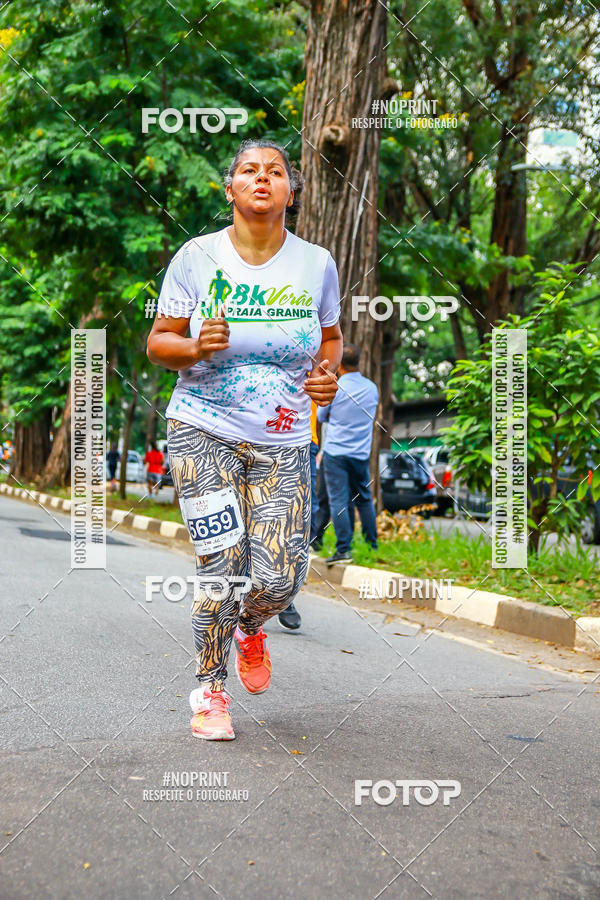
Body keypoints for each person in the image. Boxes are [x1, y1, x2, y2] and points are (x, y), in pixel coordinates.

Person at [147, 138, 343, 741]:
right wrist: (195, 346)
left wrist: (326, 376)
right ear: (229, 189)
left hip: (282, 440)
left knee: (280, 579)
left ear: (292, 191)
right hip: (201, 429)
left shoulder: (317, 265)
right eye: (248, 171)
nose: (262, 179)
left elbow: (330, 340)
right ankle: (210, 690)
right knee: (222, 565)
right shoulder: (196, 257)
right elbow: (158, 343)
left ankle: (251, 625)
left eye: (276, 172)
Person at [317, 343, 378, 565]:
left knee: (338, 500)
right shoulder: (372, 388)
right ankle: (373, 545)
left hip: (335, 454)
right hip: (360, 453)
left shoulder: (337, 387)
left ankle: (343, 549)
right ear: (358, 361)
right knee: (364, 499)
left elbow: (322, 415)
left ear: (340, 363)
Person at [277, 399, 319, 631]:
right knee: (249, 515)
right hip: (259, 434)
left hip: (303, 440)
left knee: (297, 520)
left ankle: (283, 595)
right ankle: (243, 594)